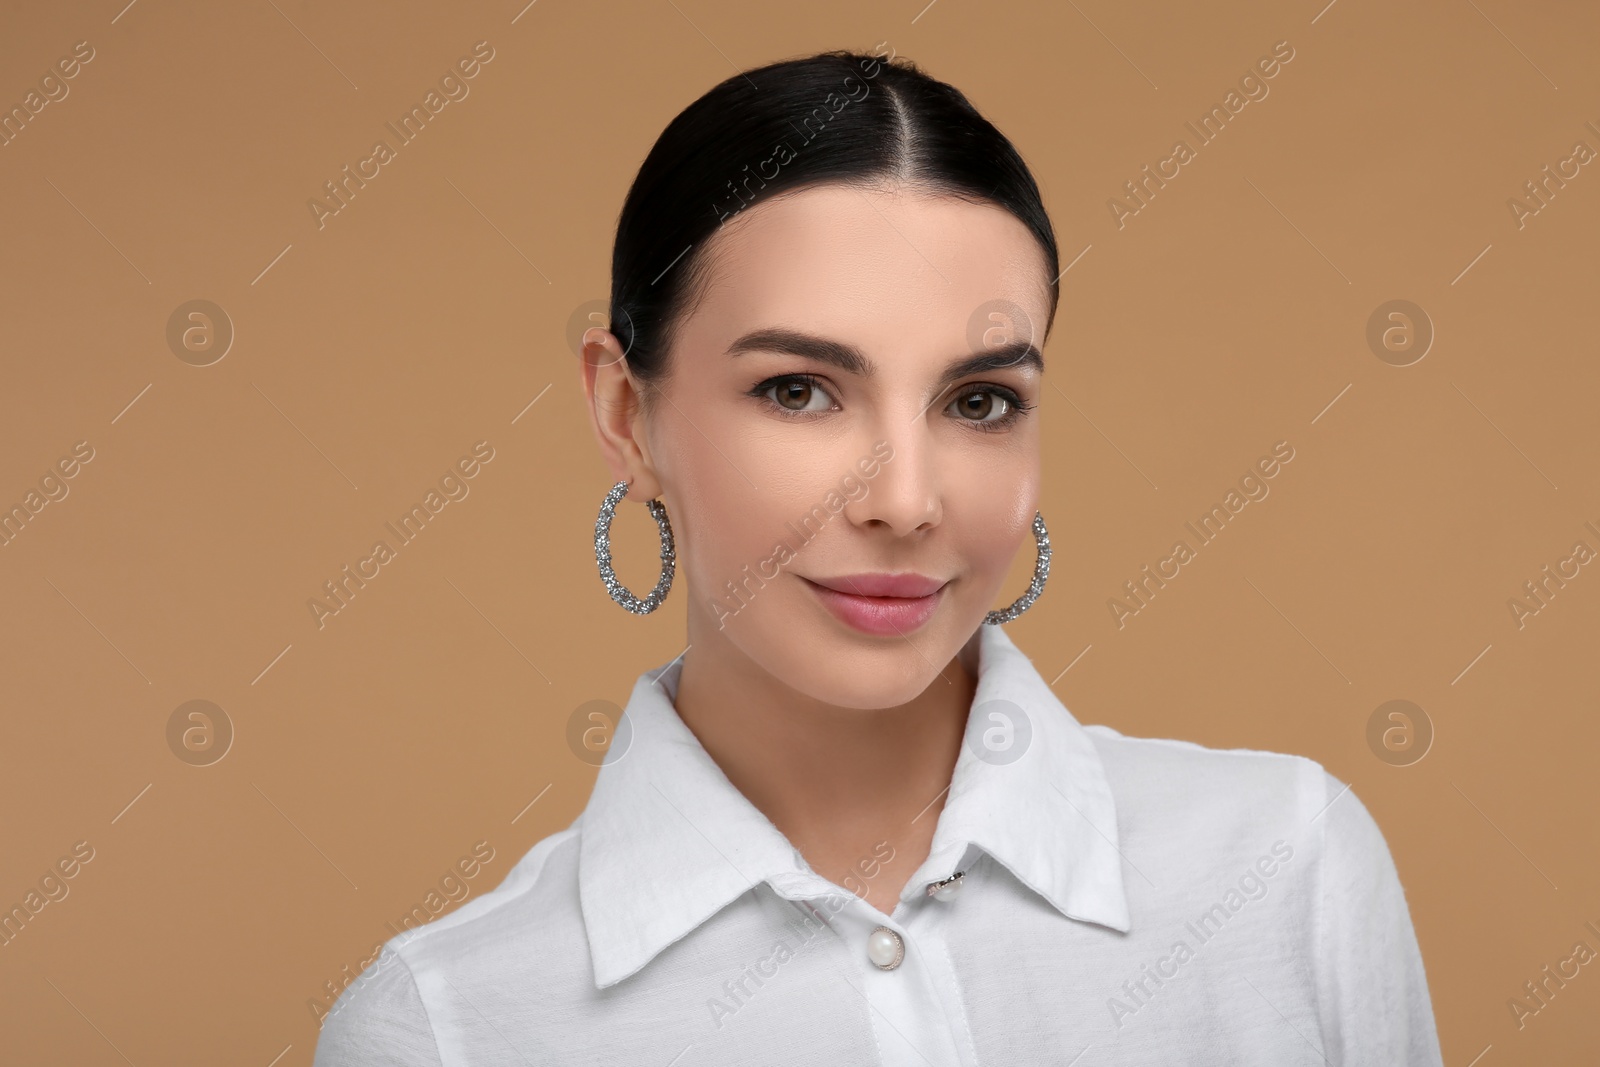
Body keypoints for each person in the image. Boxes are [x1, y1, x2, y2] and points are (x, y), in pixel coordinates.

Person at [312, 48, 1444, 1066]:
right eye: (798, 390)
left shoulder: (1286, 869)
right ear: (625, 413)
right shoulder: (449, 1025)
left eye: (980, 399)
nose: (905, 499)